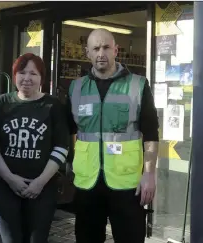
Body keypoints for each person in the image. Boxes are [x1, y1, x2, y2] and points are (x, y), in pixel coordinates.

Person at [66, 28, 160, 243]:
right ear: (87, 53)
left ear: (116, 50)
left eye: (106, 47)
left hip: (127, 184)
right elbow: (69, 130)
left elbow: (151, 134)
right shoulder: (76, 88)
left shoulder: (137, 85)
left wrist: (149, 174)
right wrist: (72, 164)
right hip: (87, 184)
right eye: (96, 48)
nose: (101, 53)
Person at [0, 53, 70, 243]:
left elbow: (61, 147)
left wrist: (40, 182)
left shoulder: (52, 106)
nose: (27, 78)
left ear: (42, 78)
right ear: (14, 76)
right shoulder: (2, 103)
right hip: (6, 188)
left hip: (43, 189)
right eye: (22, 72)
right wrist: (10, 179)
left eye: (34, 73)